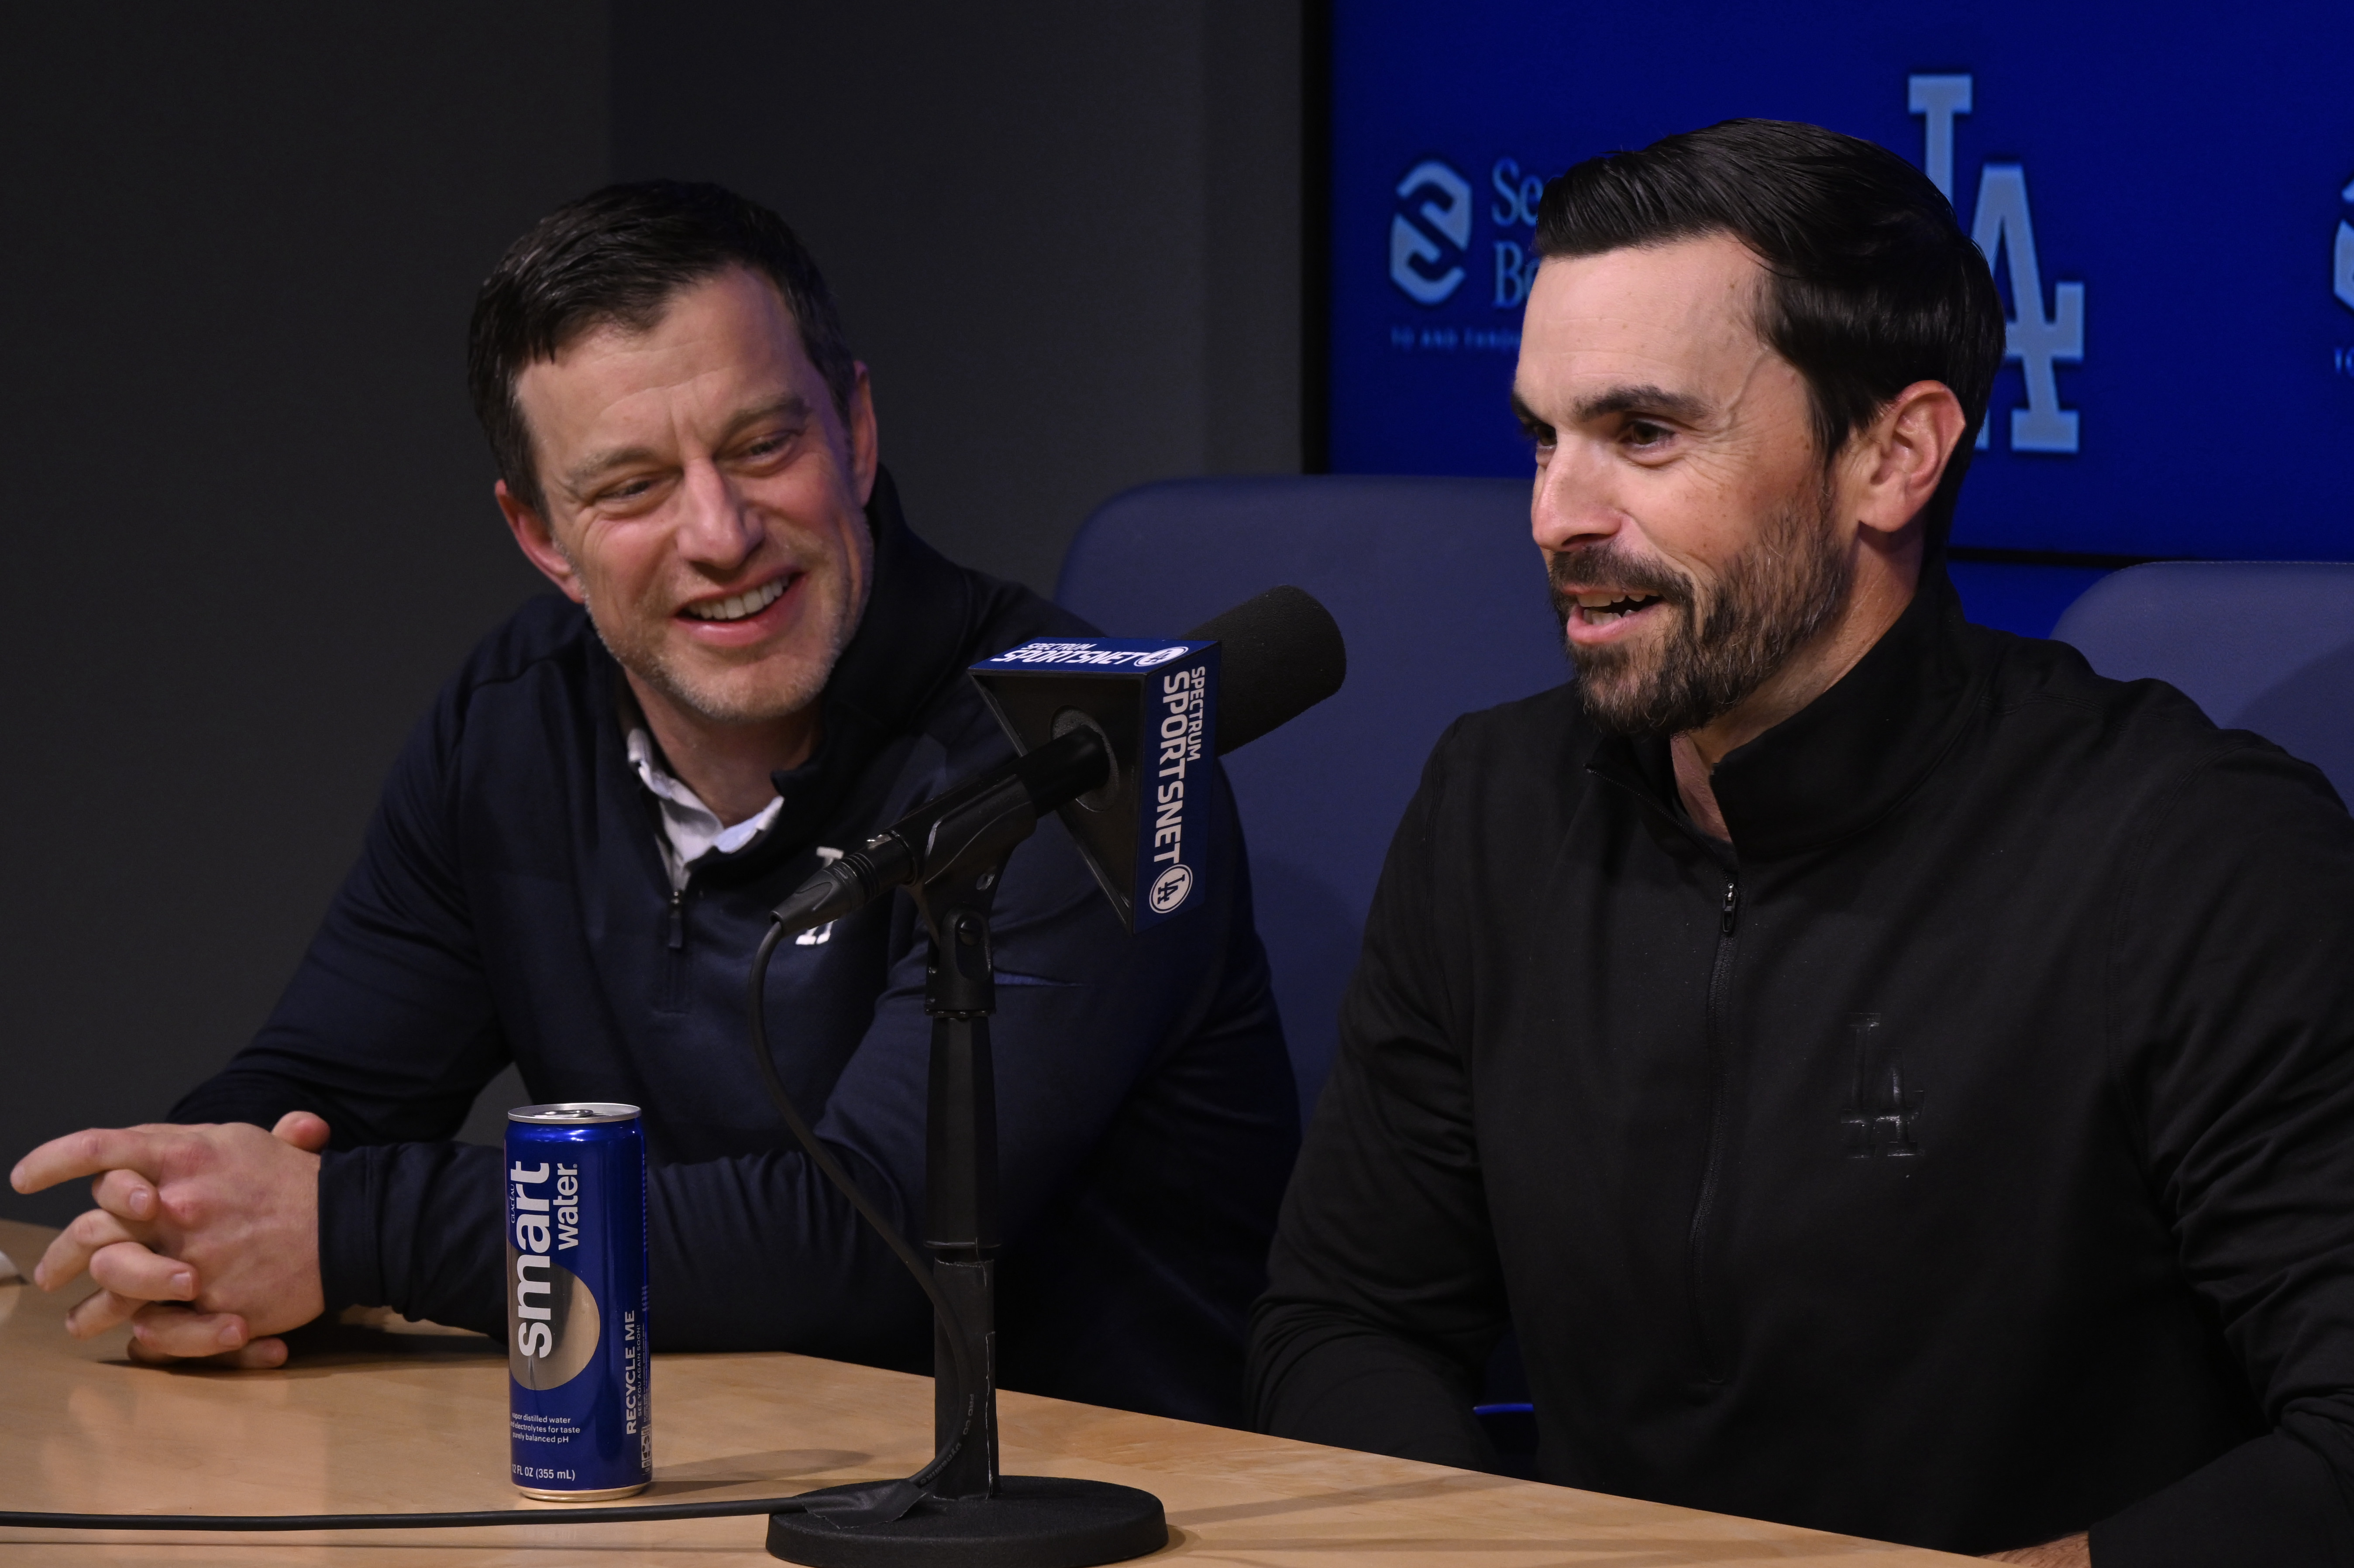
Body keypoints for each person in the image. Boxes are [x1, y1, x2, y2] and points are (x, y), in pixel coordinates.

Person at [1246, 119, 2354, 1566]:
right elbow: (1347, 1321)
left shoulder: (2192, 851)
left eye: (1644, 434)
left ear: (1893, 456)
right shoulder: (1495, 805)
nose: (1554, 517)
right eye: (1544, 437)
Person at [12, 180, 1298, 1426]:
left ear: (853, 431)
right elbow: (321, 1082)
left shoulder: (1078, 759)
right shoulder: (509, 724)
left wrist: (348, 1230)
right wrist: (181, 1214)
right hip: (698, 1470)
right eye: (629, 487)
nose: (719, 531)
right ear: (541, 536)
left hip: (1100, 1507)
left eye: (762, 445)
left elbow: (869, 1235)